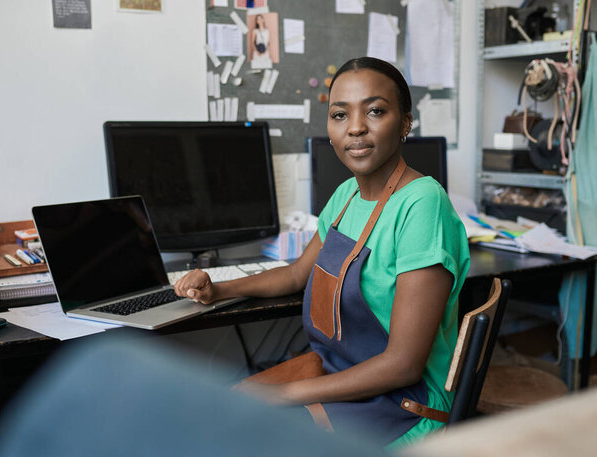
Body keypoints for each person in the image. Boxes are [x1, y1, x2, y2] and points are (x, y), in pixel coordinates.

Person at [174, 57, 470, 449]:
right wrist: (218, 290)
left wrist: (284, 395)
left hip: (403, 403)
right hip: (345, 372)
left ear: (405, 123)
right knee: (214, 416)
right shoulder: (346, 196)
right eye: (339, 114)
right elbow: (297, 275)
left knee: (245, 435)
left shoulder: (422, 203)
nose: (356, 127)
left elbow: (404, 364)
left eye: (376, 111)